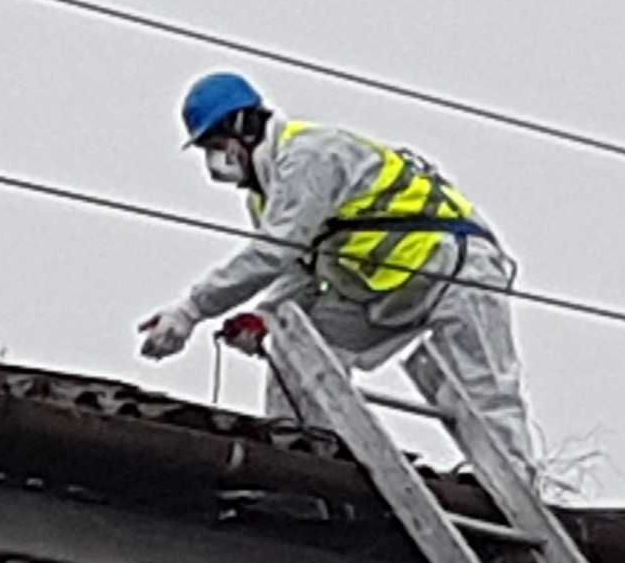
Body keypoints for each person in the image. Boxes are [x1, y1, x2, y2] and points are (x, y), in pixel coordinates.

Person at [137, 69, 554, 509]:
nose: (215, 162)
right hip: (381, 285)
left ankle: (518, 496)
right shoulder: (263, 196)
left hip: (453, 267)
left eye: (217, 147)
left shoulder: (309, 157)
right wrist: (265, 317)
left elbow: (272, 253)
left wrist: (190, 311)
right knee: (301, 347)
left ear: (245, 127)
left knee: (484, 387)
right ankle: (305, 464)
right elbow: (299, 269)